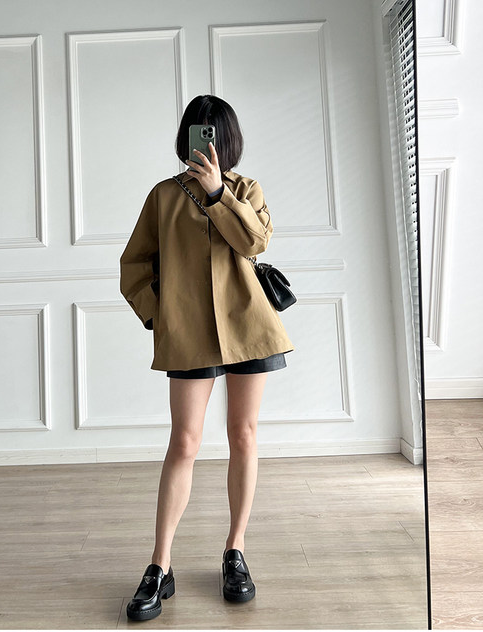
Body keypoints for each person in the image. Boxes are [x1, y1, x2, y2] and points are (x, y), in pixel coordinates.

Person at [120, 94, 295, 621]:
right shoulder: (163, 196)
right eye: (199, 133)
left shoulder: (247, 189)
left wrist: (219, 193)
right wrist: (162, 316)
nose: (207, 143)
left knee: (244, 434)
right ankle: (161, 564)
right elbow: (134, 265)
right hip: (190, 334)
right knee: (185, 442)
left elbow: (255, 242)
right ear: (187, 138)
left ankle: (235, 550)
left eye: (215, 134)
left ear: (229, 140)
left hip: (248, 327)